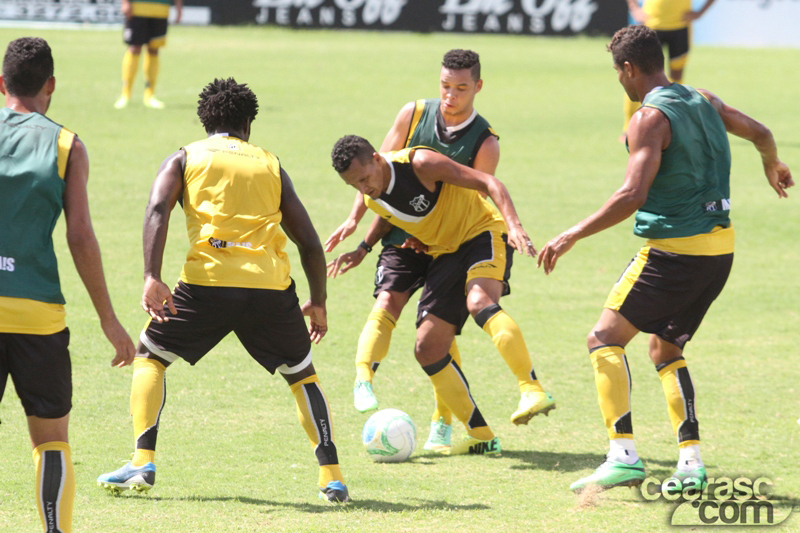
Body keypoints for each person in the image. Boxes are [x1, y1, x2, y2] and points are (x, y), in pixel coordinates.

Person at [538, 25, 793, 493]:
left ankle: (623, 455)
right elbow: (761, 132)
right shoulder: (704, 99)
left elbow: (632, 194)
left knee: (603, 339)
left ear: (630, 68)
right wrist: (771, 164)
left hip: (675, 254)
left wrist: (572, 233)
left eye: (618, 73)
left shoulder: (649, 118)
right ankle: (690, 464)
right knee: (665, 348)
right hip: (720, 252)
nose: (619, 81)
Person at [98, 78, 350, 503]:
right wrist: (319, 302)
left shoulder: (185, 157)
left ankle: (142, 461)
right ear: (248, 123)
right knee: (302, 374)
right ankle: (333, 477)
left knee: (151, 356)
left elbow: (158, 208)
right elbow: (309, 241)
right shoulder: (271, 164)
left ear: (205, 121)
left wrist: (150, 275)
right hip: (270, 289)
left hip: (206, 285)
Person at [326, 50, 555, 451]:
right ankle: (476, 434)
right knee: (428, 343)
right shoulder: (372, 184)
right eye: (445, 86)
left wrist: (516, 227)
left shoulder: (459, 150)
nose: (450, 95)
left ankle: (531, 389)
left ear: (478, 87)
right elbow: (386, 199)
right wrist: (360, 239)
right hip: (434, 241)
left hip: (479, 233)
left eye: (461, 88)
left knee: (480, 302)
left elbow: (489, 186)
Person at [0, 37, 136, 533]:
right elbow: (80, 236)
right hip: (38, 314)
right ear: (50, 86)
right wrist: (108, 319)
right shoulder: (67, 145)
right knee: (50, 439)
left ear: (1, 85)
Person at [621, 0, 717, 140]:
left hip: (680, 26)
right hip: (651, 25)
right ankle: (628, 128)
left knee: (676, 77)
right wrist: (634, 8)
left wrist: (701, 12)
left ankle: (672, 124)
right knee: (640, 76)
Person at [114, 0, 183, 109]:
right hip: (138, 8)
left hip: (161, 10)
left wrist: (179, 8)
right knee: (134, 48)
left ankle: (149, 95)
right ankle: (125, 95)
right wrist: (125, 2)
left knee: (154, 49)